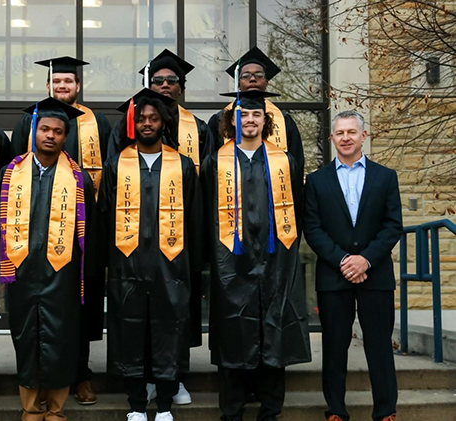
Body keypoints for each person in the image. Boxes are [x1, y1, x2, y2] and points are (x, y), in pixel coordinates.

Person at [202, 90, 311, 421]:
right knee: (234, 331)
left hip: (275, 261)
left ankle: (270, 410)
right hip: (230, 264)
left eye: (256, 115)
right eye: (243, 115)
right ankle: (231, 411)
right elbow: (205, 212)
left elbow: (297, 211)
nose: (249, 120)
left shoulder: (285, 162)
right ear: (232, 121)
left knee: (273, 329)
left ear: (266, 121)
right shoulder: (214, 163)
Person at [10, 56, 109, 405]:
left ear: (78, 86)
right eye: (57, 82)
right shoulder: (28, 122)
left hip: (78, 235)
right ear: (49, 85)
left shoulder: (96, 123)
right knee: (32, 318)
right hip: (31, 233)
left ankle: (79, 377)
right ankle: (35, 388)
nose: (62, 86)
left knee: (74, 317)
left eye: (68, 82)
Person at [99, 89, 203, 421]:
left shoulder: (183, 166)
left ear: (163, 123)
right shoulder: (116, 164)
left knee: (168, 330)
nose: (147, 123)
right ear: (133, 125)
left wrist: (193, 265)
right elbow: (103, 217)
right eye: (141, 118)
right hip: (125, 265)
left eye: (153, 118)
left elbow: (195, 219)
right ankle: (135, 404)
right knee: (129, 330)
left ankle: (165, 404)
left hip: (171, 265)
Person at [304, 110, 402, 421]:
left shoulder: (385, 177)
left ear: (363, 136)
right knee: (334, 346)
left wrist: (366, 259)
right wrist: (344, 260)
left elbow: (392, 225)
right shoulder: (317, 181)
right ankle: (336, 410)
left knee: (379, 347)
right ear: (332, 138)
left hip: (376, 276)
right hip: (334, 276)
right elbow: (313, 228)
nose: (345, 137)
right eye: (340, 133)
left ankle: (386, 411)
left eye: (351, 132)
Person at [108, 49, 216, 175]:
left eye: (172, 80)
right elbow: (111, 169)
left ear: (180, 89)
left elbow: (208, 175)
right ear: (148, 87)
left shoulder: (199, 128)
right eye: (158, 81)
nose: (165, 85)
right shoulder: (127, 125)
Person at [208, 47, 305, 175]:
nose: (252, 79)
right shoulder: (219, 119)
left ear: (267, 82)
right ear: (238, 83)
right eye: (246, 76)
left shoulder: (284, 120)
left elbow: (296, 165)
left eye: (259, 75)